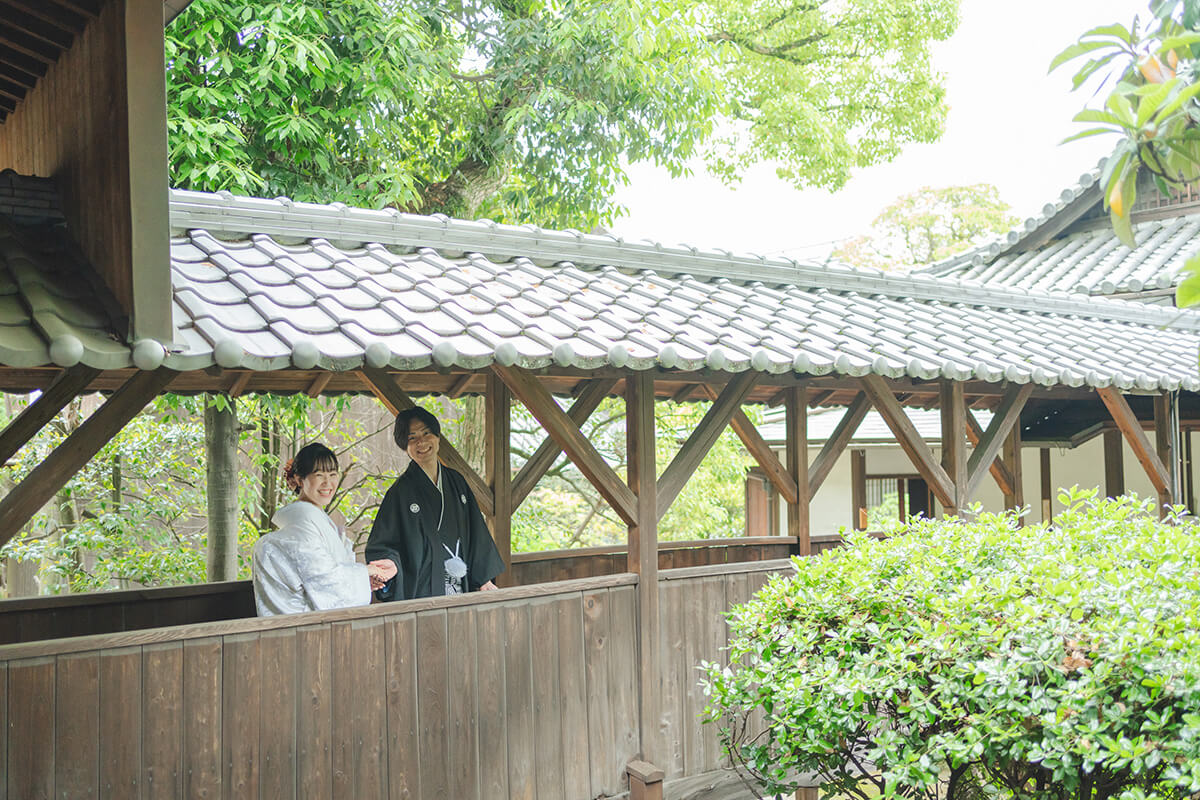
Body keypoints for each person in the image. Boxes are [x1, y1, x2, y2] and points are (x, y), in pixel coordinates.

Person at [366, 407, 505, 600]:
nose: (421, 442)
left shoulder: (456, 482)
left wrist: (484, 579)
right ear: (405, 446)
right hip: (422, 591)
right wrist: (390, 565)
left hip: (460, 586)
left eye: (426, 433)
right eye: (412, 437)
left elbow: (476, 532)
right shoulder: (400, 493)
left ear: (438, 437)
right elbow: (383, 544)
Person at [252, 442, 397, 616]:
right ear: (299, 479)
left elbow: (329, 575)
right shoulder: (302, 522)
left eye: (333, 474)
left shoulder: (315, 518)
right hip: (305, 622)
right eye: (319, 475)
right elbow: (324, 580)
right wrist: (366, 571)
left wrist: (362, 581)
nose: (328, 483)